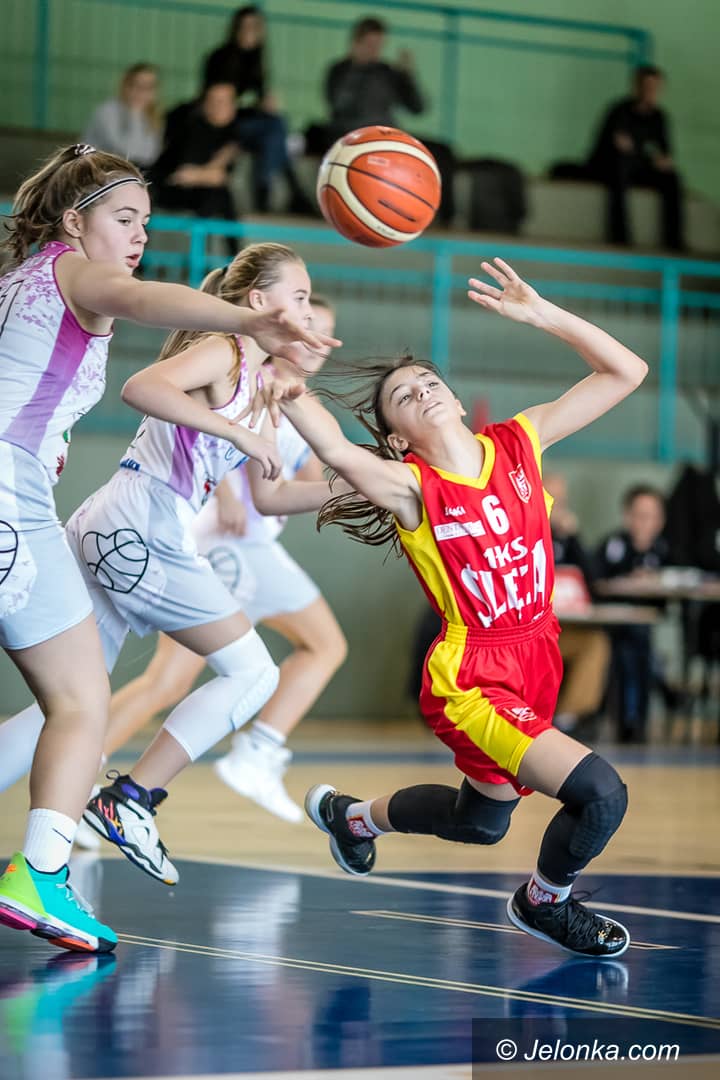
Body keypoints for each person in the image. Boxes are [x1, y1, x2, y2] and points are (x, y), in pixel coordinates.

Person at [261, 257, 649, 958]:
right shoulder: (409, 486)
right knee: (600, 794)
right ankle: (544, 903)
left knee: (481, 822)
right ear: (398, 437)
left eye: (429, 382)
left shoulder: (522, 441)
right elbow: (333, 447)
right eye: (404, 395)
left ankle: (353, 819)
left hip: (537, 654)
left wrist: (543, 314)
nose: (422, 391)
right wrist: (287, 383)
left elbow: (627, 372)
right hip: (473, 677)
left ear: (457, 398)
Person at [0, 146, 328, 954]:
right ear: (74, 222)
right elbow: (141, 305)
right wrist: (247, 325)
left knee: (68, 701)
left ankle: (74, 844)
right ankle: (67, 851)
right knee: (91, 701)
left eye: (146, 221)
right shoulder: (78, 272)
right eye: (124, 218)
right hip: (44, 504)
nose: (140, 235)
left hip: (56, 505)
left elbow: (282, 487)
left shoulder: (21, 281)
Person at [74, 296, 347, 835]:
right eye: (307, 323)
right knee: (324, 645)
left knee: (165, 684)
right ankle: (259, 751)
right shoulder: (250, 378)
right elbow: (211, 436)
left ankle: (81, 778)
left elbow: (310, 481)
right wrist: (225, 490)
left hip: (226, 543)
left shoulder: (303, 404)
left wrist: (369, 485)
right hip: (231, 543)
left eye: (326, 331)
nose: (316, 340)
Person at [308, 16, 455, 226]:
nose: (375, 50)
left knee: (443, 152)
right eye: (370, 45)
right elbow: (337, 103)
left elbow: (418, 108)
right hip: (355, 138)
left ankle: (442, 219)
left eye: (379, 45)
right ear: (356, 43)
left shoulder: (387, 72)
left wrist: (407, 76)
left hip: (389, 137)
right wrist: (357, 68)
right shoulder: (339, 70)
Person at [202, 5, 313, 214]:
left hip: (249, 123)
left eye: (255, 27)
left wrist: (266, 103)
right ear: (236, 28)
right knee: (276, 128)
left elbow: (256, 97)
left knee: (275, 129)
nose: (250, 32)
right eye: (246, 26)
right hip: (227, 124)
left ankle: (271, 189)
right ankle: (279, 190)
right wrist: (252, 105)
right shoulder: (220, 58)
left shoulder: (257, 59)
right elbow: (217, 102)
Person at [594, 484, 671, 743]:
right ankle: (631, 719)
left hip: (648, 625)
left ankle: (638, 717)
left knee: (640, 647)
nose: (645, 522)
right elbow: (595, 582)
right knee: (629, 650)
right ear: (627, 516)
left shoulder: (665, 549)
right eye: (640, 515)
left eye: (652, 516)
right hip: (614, 624)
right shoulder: (613, 545)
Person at [586, 65, 684, 251]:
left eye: (655, 87)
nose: (650, 91)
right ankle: (620, 236)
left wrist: (660, 159)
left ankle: (674, 240)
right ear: (637, 86)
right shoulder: (619, 111)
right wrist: (645, 154)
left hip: (639, 167)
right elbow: (618, 146)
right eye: (647, 86)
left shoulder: (659, 117)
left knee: (672, 177)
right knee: (620, 169)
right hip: (610, 167)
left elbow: (664, 153)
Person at [543, 471, 610, 735]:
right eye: (551, 499)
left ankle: (566, 719)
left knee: (595, 643)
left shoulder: (567, 539)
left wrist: (574, 537)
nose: (557, 508)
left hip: (560, 629)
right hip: (527, 635)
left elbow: (594, 582)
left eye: (562, 502)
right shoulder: (519, 532)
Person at [148, 82, 242, 239]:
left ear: (233, 106)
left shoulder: (234, 134)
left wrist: (210, 175)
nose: (216, 106)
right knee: (218, 193)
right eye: (212, 100)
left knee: (219, 195)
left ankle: (210, 249)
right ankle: (204, 250)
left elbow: (223, 177)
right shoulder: (192, 128)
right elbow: (184, 175)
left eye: (222, 101)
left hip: (202, 194)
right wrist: (212, 174)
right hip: (167, 188)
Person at [83, 63, 162, 170]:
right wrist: (135, 114)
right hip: (97, 170)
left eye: (148, 87)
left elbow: (150, 156)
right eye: (136, 85)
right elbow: (128, 153)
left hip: (125, 171)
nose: (142, 92)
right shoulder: (107, 112)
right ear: (125, 86)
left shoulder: (152, 116)